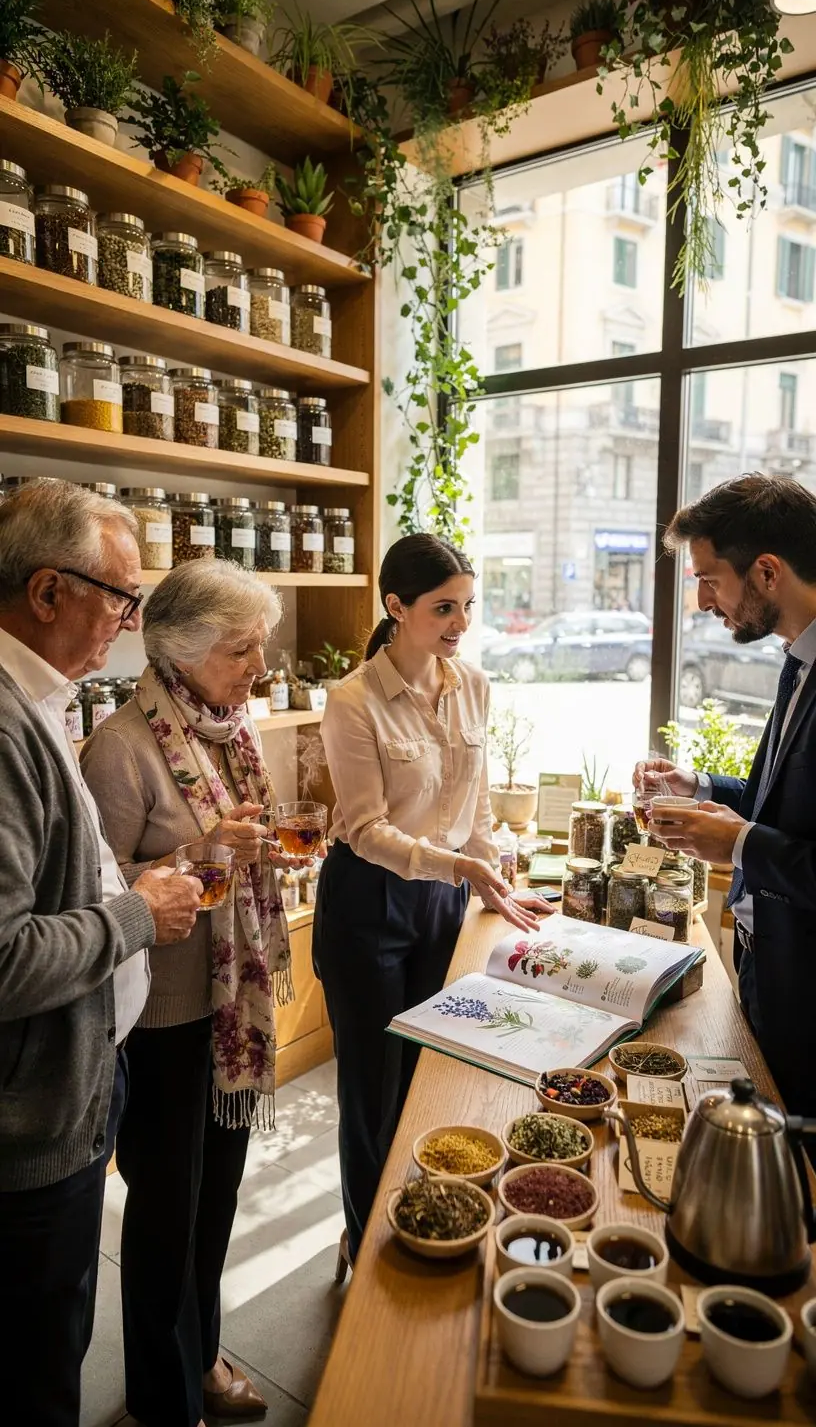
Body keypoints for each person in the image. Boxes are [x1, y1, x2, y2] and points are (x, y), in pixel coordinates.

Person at [82, 558, 303, 1427]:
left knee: (215, 1200)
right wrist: (206, 851)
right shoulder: (123, 749)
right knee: (167, 1213)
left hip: (228, 1014)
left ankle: (201, 1352)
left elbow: (236, 848)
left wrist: (254, 856)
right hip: (163, 1020)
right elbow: (101, 896)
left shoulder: (228, 729)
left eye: (261, 647)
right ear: (181, 650)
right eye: (243, 650)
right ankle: (161, 1394)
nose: (259, 667)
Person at [0, 479, 203, 1427]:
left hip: (77, 1083)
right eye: (118, 598)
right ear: (47, 592)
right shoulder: (6, 726)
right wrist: (134, 915)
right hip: (28, 1130)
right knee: (38, 1365)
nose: (127, 625)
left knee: (62, 1335)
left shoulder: (45, 698)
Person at [313, 533, 554, 1270]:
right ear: (395, 607)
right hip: (370, 906)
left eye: (469, 606)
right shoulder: (352, 702)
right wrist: (463, 868)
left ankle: (425, 1220)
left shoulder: (472, 684)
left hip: (443, 903)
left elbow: (475, 809)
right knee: (373, 1091)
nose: (461, 622)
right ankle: (365, 1240)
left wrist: (495, 874)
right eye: (444, 607)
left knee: (432, 1071)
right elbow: (367, 831)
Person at [634, 474, 816, 1127]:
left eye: (709, 579)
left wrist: (735, 843)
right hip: (770, 977)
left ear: (767, 572)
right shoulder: (798, 661)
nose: (704, 601)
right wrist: (701, 787)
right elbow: (786, 807)